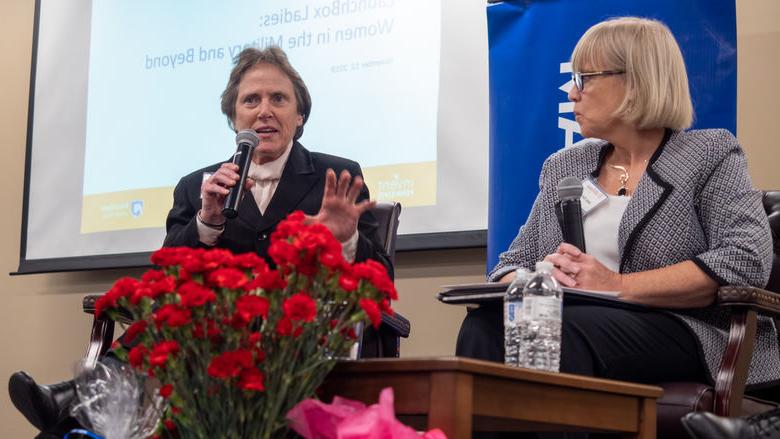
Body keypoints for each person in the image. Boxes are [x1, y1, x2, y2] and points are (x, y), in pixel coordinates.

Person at [9, 46, 392, 437]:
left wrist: (345, 241)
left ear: (300, 115)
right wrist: (206, 221)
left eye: (278, 98)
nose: (265, 110)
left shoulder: (335, 175)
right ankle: (72, 405)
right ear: (234, 117)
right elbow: (166, 276)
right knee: (166, 313)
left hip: (296, 342)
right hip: (213, 344)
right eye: (251, 100)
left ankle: (71, 402)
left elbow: (382, 277)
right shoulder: (198, 187)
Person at [456, 16, 777, 435]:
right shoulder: (563, 165)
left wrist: (613, 285)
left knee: (561, 333)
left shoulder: (708, 153)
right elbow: (510, 262)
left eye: (584, 79)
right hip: (573, 317)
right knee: (483, 325)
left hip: (683, 328)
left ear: (635, 80)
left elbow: (745, 259)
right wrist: (540, 280)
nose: (572, 92)